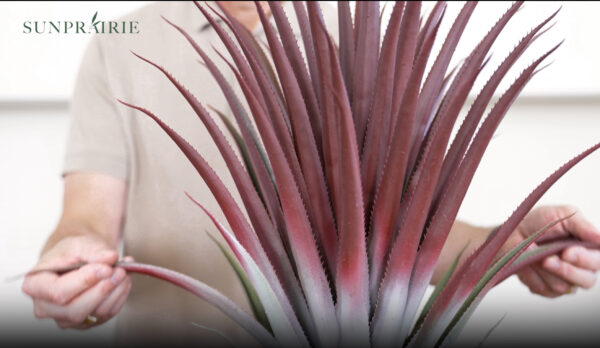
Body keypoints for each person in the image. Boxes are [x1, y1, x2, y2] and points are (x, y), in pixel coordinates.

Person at [21, 1, 600, 346]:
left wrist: (512, 245)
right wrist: (75, 263)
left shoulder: (354, 40)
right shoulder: (122, 46)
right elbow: (88, 218)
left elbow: (393, 239)